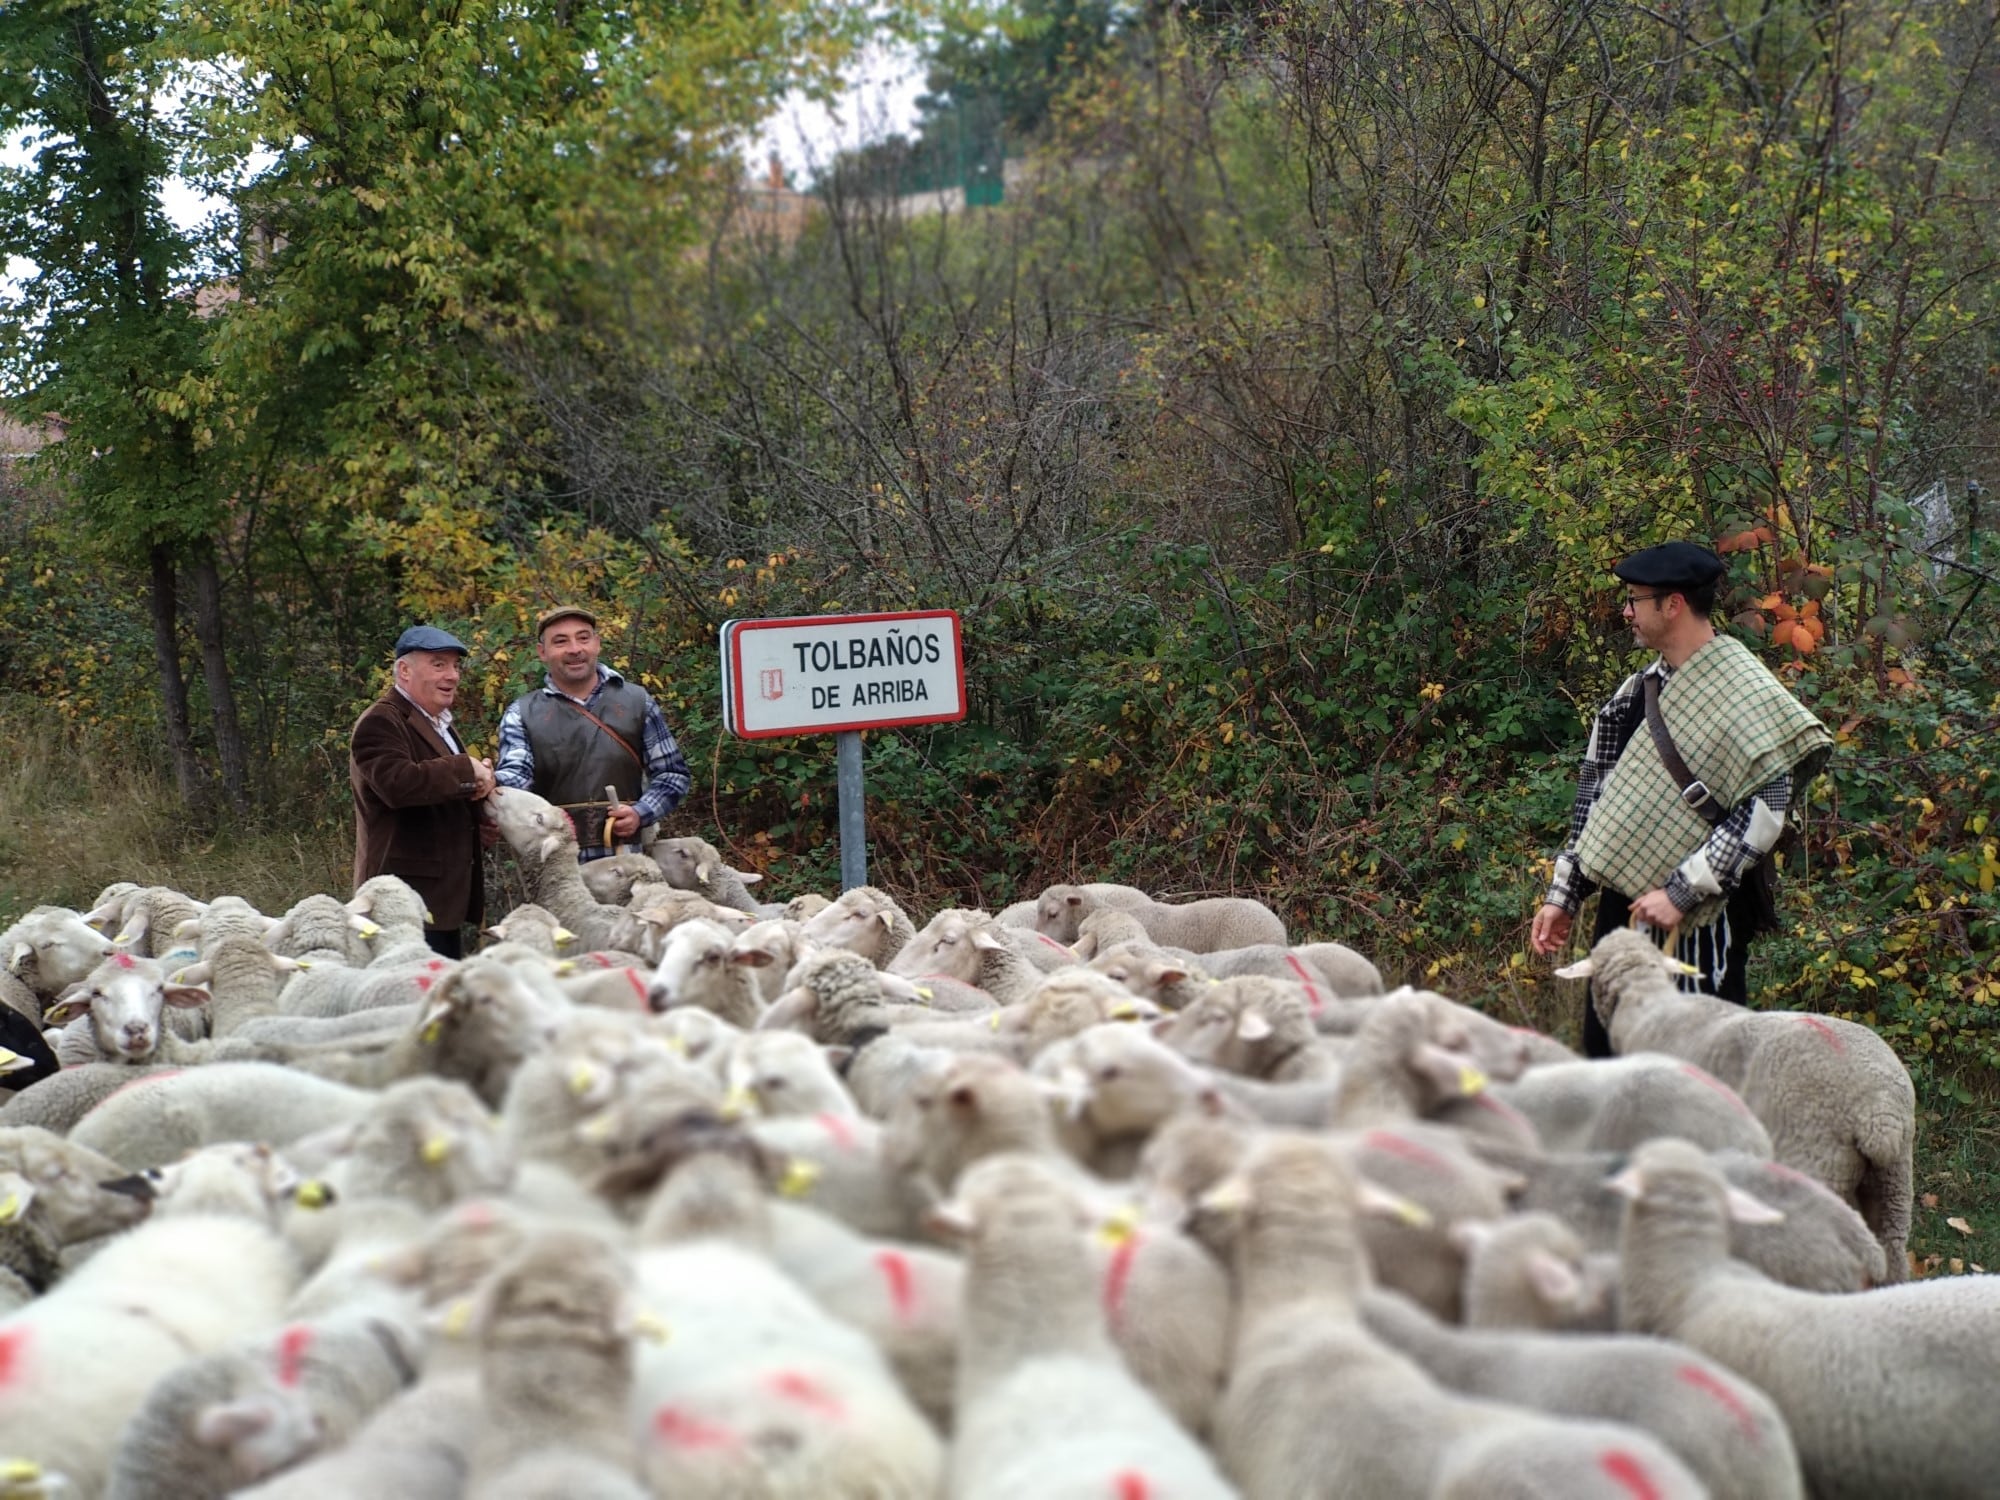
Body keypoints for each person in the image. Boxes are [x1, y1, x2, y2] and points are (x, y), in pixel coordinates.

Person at [1529, 542, 1833, 1057]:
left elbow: (1768, 809)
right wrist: (1566, 894)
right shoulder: (1632, 696)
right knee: (1611, 1058)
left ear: (1671, 604)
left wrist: (1681, 892)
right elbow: (1594, 804)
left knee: (1699, 1068)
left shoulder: (1746, 691)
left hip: (1702, 915)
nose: (1626, 611)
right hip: (1623, 913)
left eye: (1634, 599)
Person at [494, 606, 691, 862]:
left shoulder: (637, 701)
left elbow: (672, 774)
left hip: (627, 864)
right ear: (542, 652)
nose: (575, 649)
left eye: (583, 638)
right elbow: (515, 781)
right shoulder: (520, 713)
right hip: (554, 864)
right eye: (560, 641)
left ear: (597, 644)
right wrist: (486, 781)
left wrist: (641, 813)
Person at [349, 625, 497, 958]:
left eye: (456, 666)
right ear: (404, 671)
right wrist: (465, 768)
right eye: (439, 664)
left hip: (439, 901)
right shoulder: (381, 721)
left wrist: (478, 820)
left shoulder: (436, 721)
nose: (453, 675)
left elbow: (438, 794)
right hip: (401, 902)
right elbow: (397, 784)